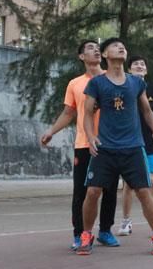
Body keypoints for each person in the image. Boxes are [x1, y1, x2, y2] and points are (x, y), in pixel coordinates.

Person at [77, 38, 153, 256]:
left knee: (144, 192)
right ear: (106, 55)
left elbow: (146, 110)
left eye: (123, 46)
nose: (121, 48)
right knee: (93, 192)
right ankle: (86, 234)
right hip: (105, 148)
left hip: (133, 148)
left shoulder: (136, 82)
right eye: (115, 46)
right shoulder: (97, 83)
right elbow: (87, 114)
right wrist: (90, 137)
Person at [39, 40, 120, 250]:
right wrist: (51, 131)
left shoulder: (112, 79)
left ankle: (105, 230)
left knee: (109, 190)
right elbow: (68, 113)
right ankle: (80, 234)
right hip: (84, 144)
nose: (95, 50)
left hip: (110, 144)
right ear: (81, 57)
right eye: (89, 48)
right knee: (81, 192)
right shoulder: (75, 84)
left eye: (97, 48)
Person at [118, 55, 153, 236]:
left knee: (152, 180)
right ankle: (126, 221)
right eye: (136, 64)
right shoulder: (124, 87)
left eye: (143, 64)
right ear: (129, 69)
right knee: (128, 184)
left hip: (151, 140)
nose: (140, 66)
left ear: (146, 70)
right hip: (130, 140)